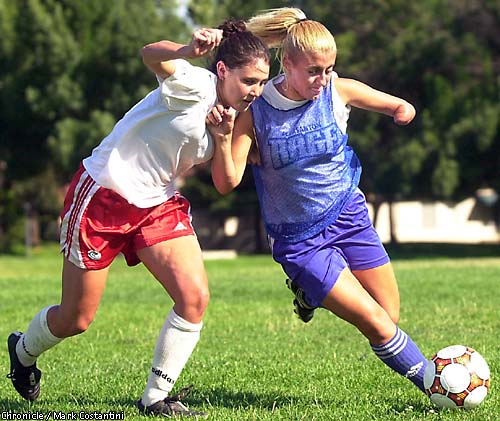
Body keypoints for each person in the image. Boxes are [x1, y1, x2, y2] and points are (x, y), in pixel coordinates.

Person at [7, 20, 270, 417]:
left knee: (194, 297)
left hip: (157, 203)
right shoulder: (196, 85)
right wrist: (185, 49)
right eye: (250, 79)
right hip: (104, 197)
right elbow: (150, 54)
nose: (256, 90)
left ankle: (155, 398)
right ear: (222, 71)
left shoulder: (235, 115)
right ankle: (23, 351)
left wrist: (221, 137)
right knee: (77, 318)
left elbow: (225, 182)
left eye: (263, 82)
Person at [207, 7, 429, 393]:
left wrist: (400, 109)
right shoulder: (256, 111)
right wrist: (223, 139)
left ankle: (309, 293)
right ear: (287, 63)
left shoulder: (336, 91)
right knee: (376, 325)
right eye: (313, 71)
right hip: (298, 240)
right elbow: (226, 183)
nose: (322, 79)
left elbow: (387, 102)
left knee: (388, 316)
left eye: (328, 69)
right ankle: (436, 382)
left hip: (349, 216)